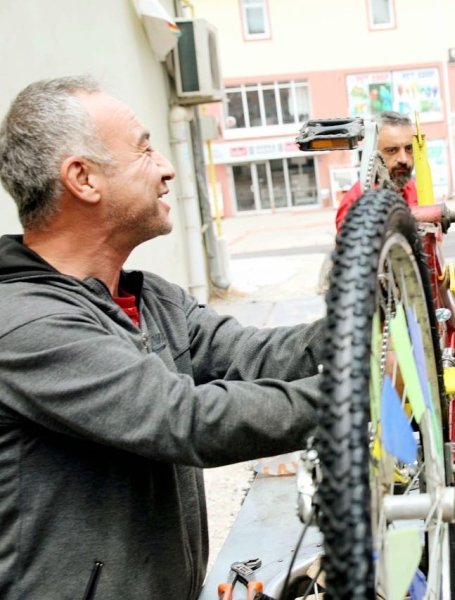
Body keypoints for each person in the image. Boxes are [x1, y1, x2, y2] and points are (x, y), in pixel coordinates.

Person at [0, 76, 325, 599]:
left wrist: (360, 328)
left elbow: (252, 355)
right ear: (83, 178)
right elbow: (186, 418)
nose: (167, 168)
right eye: (144, 149)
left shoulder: (151, 299)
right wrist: (356, 398)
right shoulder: (25, 325)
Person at [334, 110, 417, 230]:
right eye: (392, 150)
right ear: (373, 153)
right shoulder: (355, 201)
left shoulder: (413, 188)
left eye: (409, 149)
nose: (404, 159)